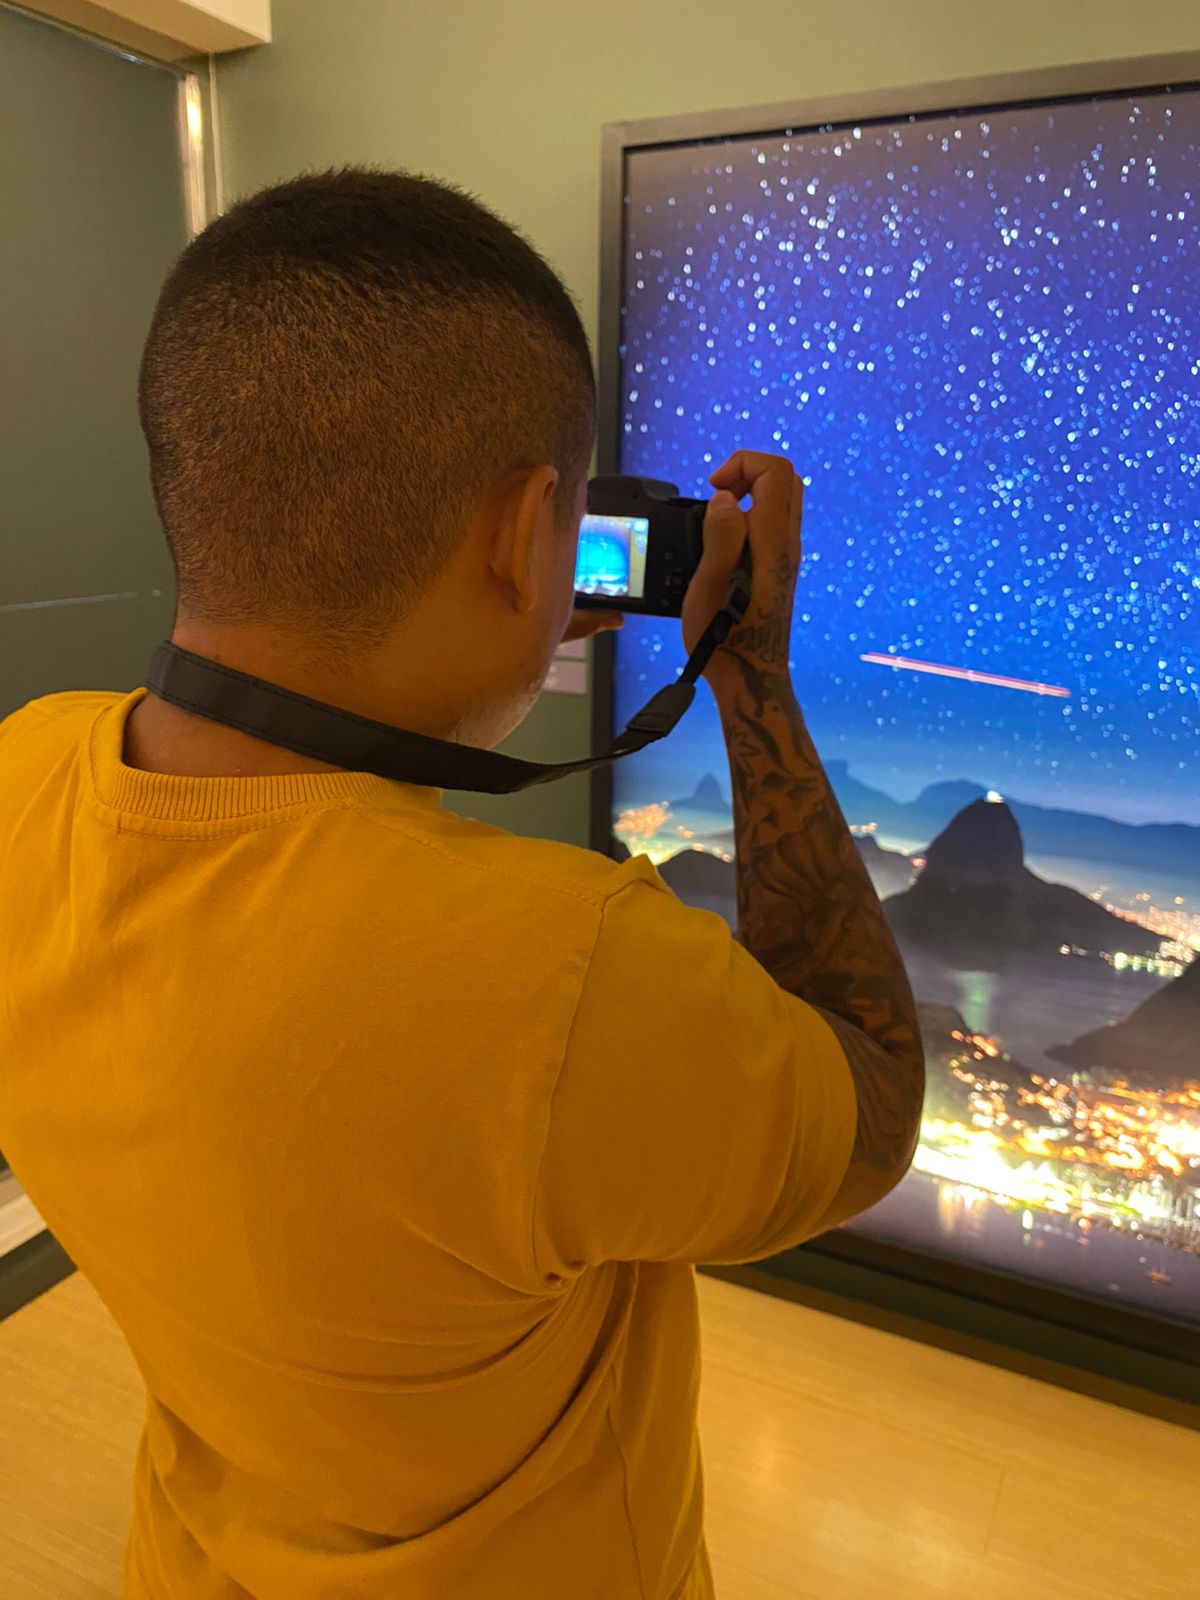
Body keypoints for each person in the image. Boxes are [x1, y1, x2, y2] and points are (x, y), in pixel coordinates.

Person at [0, 168, 923, 1600]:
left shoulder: (24, 774)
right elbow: (869, 1097)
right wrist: (747, 675)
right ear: (523, 526)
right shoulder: (565, 976)